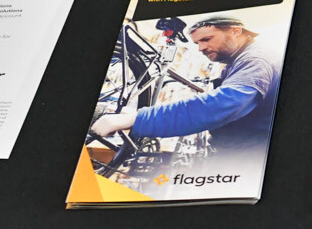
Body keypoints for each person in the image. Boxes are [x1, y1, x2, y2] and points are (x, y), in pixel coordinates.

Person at [91, 16, 281, 155]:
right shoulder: (238, 60)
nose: (201, 48)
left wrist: (138, 119)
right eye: (197, 43)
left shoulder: (257, 60)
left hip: (248, 157)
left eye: (206, 39)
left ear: (235, 31)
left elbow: (220, 105)